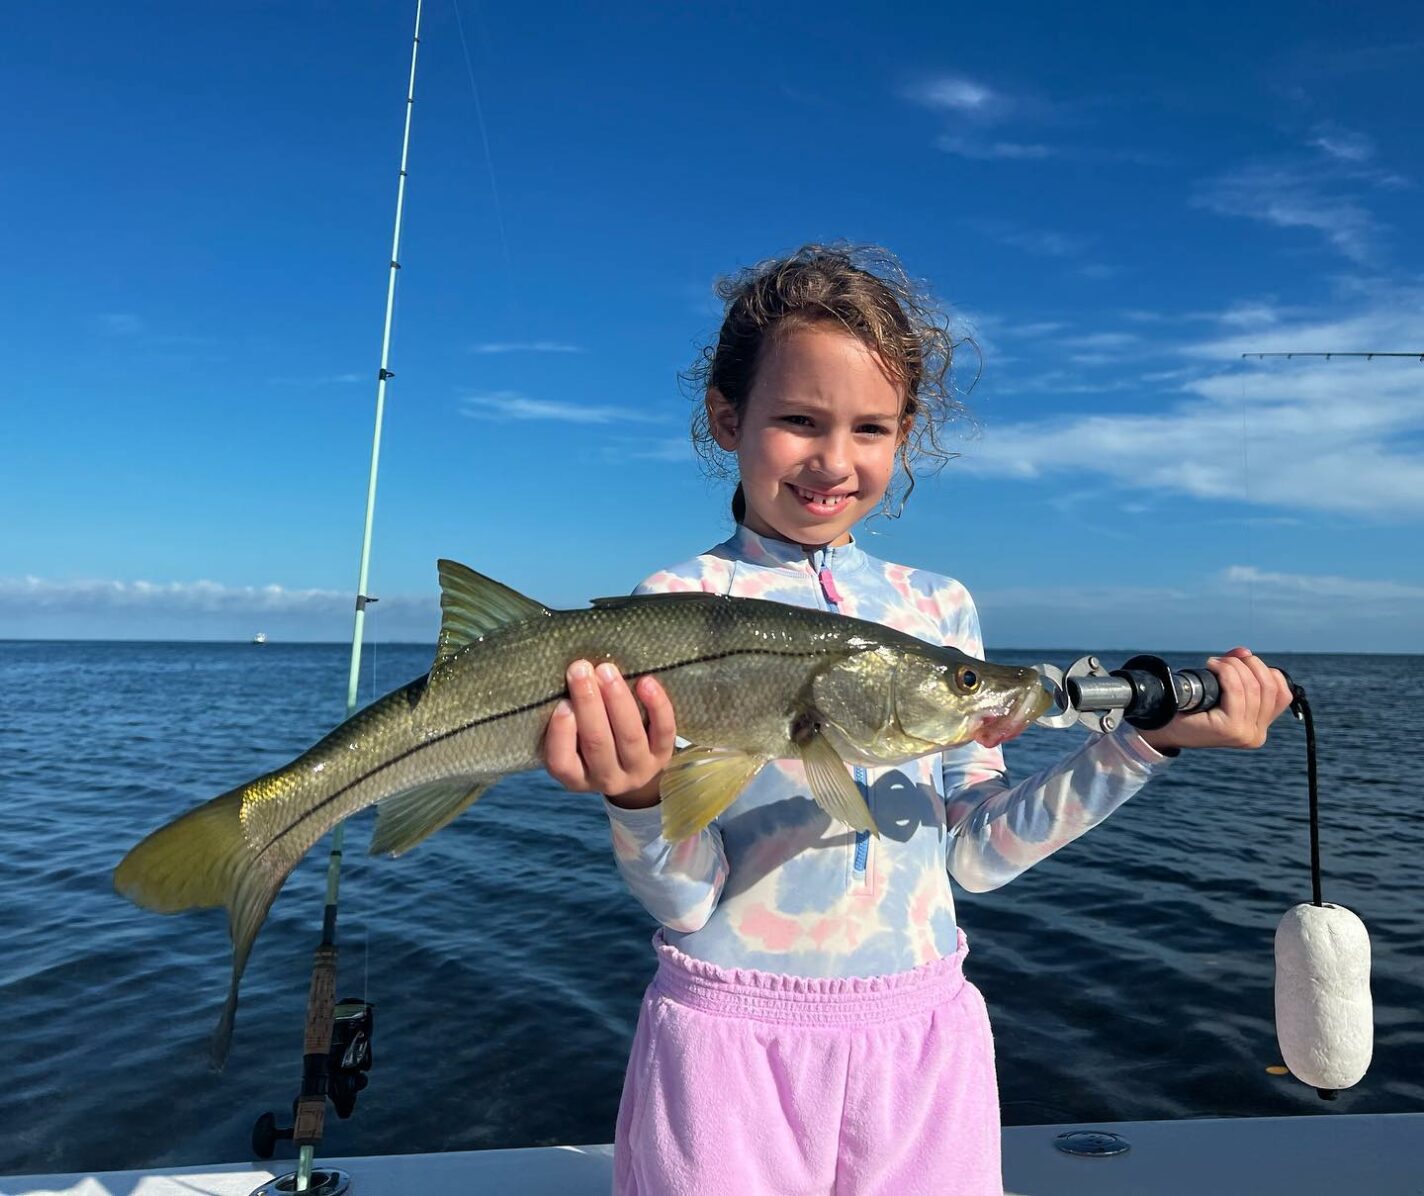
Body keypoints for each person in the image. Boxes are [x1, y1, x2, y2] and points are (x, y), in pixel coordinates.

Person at [543, 244, 1293, 1196]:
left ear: (906, 435)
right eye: (798, 421)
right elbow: (687, 901)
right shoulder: (678, 602)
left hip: (923, 1036)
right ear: (728, 419)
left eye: (871, 428)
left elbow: (974, 851)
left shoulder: (939, 611)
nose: (833, 460)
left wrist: (1145, 743)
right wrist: (640, 800)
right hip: (731, 1040)